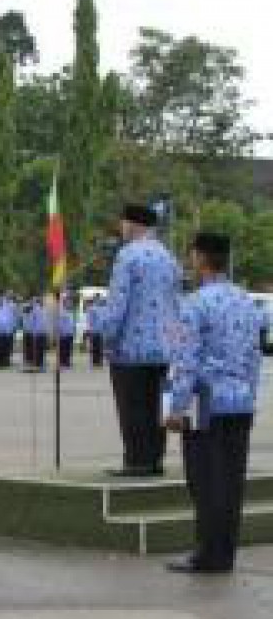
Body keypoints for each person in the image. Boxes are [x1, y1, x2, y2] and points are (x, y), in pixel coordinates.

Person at [164, 233, 262, 574]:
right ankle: (225, 553)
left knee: (205, 481)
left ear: (201, 258)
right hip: (241, 401)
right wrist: (250, 396)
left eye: (192, 255)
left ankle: (208, 554)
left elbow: (184, 359)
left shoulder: (192, 304)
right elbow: (254, 357)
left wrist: (175, 407)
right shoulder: (246, 302)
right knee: (232, 482)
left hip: (203, 401)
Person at [102, 203, 181, 477]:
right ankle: (155, 459)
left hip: (131, 349)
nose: (121, 228)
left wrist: (106, 335)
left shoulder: (127, 256)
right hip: (165, 348)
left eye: (123, 223)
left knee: (132, 406)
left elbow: (118, 303)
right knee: (158, 406)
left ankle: (137, 461)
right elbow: (176, 305)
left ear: (133, 224)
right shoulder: (169, 258)